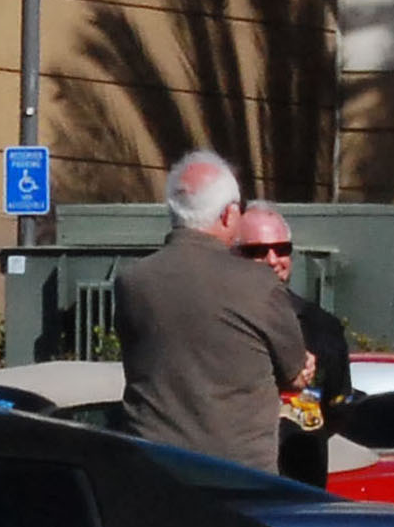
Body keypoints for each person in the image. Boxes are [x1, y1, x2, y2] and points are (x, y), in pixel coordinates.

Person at [113, 149, 311, 471]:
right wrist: (300, 370)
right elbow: (294, 371)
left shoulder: (132, 282)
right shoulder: (258, 282)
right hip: (239, 477)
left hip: (154, 472)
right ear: (228, 215)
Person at [235, 201, 353, 485]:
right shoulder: (220, 322)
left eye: (282, 249)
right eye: (258, 251)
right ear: (234, 255)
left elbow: (338, 406)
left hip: (302, 483)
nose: (273, 260)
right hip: (240, 481)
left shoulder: (321, 325)